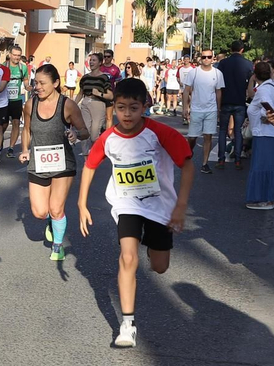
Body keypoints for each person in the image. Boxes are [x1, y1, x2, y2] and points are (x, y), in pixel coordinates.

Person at [78, 78, 195, 349]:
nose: (127, 114)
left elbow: (187, 166)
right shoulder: (109, 138)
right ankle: (127, 325)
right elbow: (90, 166)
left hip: (160, 207)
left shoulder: (160, 133)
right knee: (127, 258)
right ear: (114, 108)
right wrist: (81, 204)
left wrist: (181, 206)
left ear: (145, 106)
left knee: (159, 267)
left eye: (133, 108)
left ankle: (152, 245)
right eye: (121, 108)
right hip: (127, 204)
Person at [19, 63, 87, 262]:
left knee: (57, 208)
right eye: (35, 83)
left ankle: (57, 246)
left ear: (56, 83)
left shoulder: (68, 105)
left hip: (63, 164)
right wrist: (25, 150)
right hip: (39, 163)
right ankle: (51, 221)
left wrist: (76, 134)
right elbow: (26, 130)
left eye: (42, 83)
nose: (37, 87)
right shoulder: (31, 104)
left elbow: (85, 131)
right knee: (40, 212)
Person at [245, 59, 274, 209]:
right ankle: (270, 198)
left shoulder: (263, 90)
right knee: (272, 168)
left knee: (262, 167)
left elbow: (266, 107)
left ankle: (264, 199)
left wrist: (265, 116)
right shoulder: (273, 86)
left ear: (255, 76)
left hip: (265, 134)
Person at [180, 48, 225, 174]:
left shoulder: (217, 74)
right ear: (200, 58)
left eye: (209, 57)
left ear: (213, 58)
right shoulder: (194, 73)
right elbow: (186, 91)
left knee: (208, 136)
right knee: (192, 137)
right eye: (204, 57)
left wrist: (218, 108)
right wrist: (185, 108)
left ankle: (204, 164)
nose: (206, 59)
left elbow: (218, 92)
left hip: (211, 109)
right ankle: (189, 152)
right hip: (196, 109)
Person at [217, 41, 255, 167]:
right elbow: (250, 83)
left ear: (230, 49)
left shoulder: (223, 63)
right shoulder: (248, 64)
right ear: (242, 50)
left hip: (225, 100)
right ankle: (238, 159)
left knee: (222, 131)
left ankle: (221, 159)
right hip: (240, 100)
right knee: (238, 131)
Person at [76, 54, 113, 146]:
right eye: (90, 60)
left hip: (98, 104)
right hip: (86, 102)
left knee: (94, 135)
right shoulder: (85, 77)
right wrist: (73, 104)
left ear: (100, 63)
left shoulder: (103, 78)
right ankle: (86, 158)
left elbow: (111, 96)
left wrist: (99, 94)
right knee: (84, 132)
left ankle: (97, 153)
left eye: (94, 60)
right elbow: (80, 93)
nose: (91, 62)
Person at [2, 45, 30, 157]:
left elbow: (26, 80)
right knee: (2, 125)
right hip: (3, 100)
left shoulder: (23, 68)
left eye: (18, 55)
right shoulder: (4, 67)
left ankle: (11, 148)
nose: (16, 57)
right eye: (14, 55)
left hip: (16, 99)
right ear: (10, 55)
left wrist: (28, 87)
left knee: (16, 122)